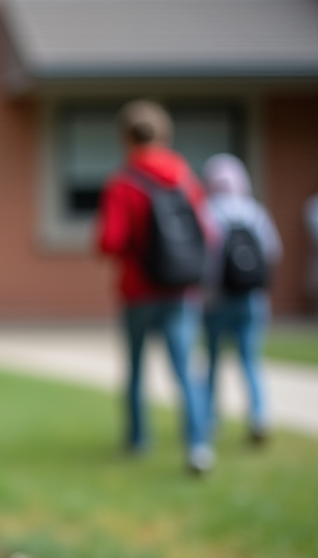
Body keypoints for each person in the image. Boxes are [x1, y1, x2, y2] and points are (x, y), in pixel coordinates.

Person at [97, 100, 215, 474]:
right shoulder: (184, 177)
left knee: (135, 370)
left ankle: (138, 439)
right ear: (165, 135)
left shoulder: (123, 183)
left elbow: (109, 242)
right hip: (181, 291)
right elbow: (207, 234)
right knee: (186, 370)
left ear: (125, 138)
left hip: (138, 291)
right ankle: (198, 446)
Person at [200, 154, 281, 445]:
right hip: (252, 299)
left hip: (216, 301)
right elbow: (273, 253)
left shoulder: (207, 212)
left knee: (211, 362)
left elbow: (206, 262)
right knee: (250, 361)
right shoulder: (255, 212)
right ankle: (259, 416)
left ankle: (208, 421)